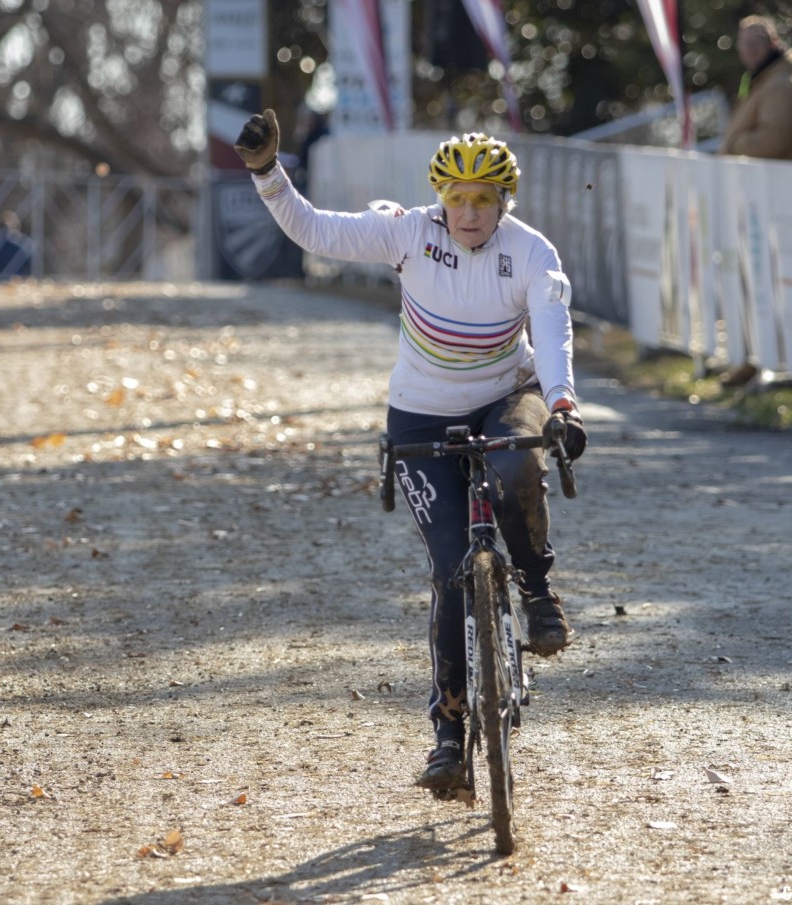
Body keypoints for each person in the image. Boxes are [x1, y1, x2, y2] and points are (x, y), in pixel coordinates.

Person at [234, 111, 588, 794]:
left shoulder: (532, 251)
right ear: (440, 199)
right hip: (420, 413)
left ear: (503, 203)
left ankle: (539, 591)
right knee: (453, 570)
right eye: (458, 198)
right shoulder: (405, 232)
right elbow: (315, 229)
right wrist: (265, 173)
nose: (470, 212)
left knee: (519, 462)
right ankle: (450, 735)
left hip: (503, 394)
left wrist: (565, 402)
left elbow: (552, 327)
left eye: (484, 199)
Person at [719, 16, 792, 160]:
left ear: (774, 42)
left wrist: (731, 144)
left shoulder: (782, 85)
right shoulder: (761, 80)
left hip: (774, 179)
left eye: (756, 42)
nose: (749, 48)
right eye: (744, 43)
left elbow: (772, 141)